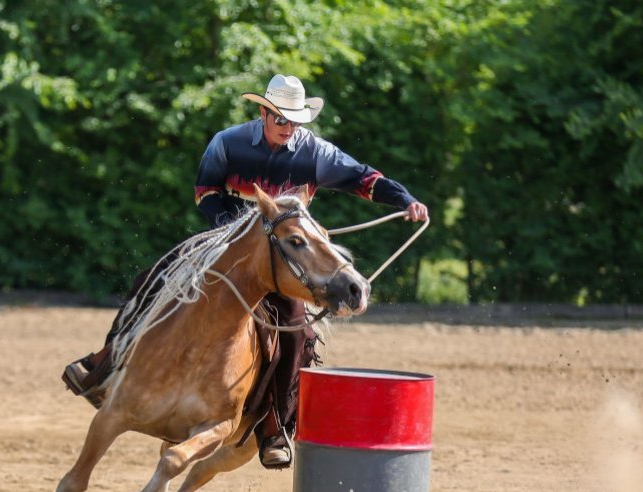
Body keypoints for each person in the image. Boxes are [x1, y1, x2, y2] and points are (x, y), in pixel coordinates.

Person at [63, 74, 429, 469]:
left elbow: (363, 178)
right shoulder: (227, 142)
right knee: (153, 277)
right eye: (282, 119)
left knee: (298, 331)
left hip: (284, 257)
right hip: (226, 245)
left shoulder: (315, 152)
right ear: (263, 113)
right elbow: (205, 192)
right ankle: (105, 362)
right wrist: (235, 232)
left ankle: (274, 424)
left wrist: (405, 199)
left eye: (295, 121)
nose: (289, 128)